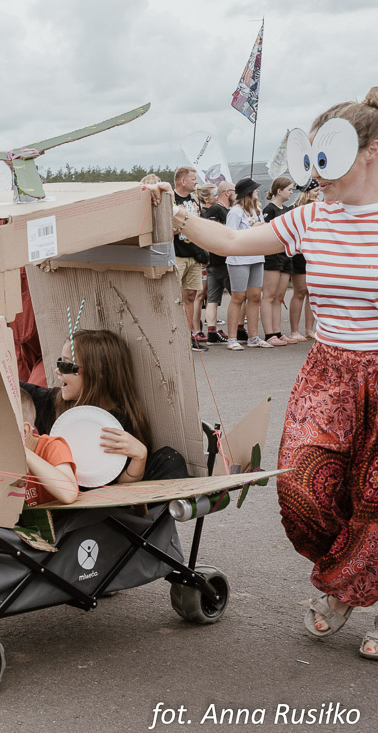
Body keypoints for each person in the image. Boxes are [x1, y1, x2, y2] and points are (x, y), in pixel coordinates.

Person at [168, 87, 378, 660]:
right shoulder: (312, 216)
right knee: (302, 489)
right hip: (330, 370)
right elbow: (233, 240)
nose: (317, 176)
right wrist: (177, 213)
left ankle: (349, 592)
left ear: (370, 153)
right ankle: (348, 577)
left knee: (375, 499)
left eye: (330, 159)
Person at [19, 329, 154, 484]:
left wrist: (140, 457)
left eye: (66, 365)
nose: (57, 370)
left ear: (98, 373)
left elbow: (121, 488)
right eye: (59, 362)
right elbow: (4, 382)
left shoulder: (122, 424)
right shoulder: (48, 402)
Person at [223, 177, 273, 350]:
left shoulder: (257, 210)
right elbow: (230, 236)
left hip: (257, 257)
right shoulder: (235, 212)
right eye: (255, 189)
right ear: (247, 192)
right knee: (238, 298)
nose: (258, 191)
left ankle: (253, 337)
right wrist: (254, 229)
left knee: (255, 297)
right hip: (239, 259)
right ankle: (232, 338)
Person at [171, 167, 209, 351]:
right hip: (177, 255)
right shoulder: (170, 199)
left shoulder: (194, 201)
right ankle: (174, 337)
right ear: (182, 181)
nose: (196, 182)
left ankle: (189, 336)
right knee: (173, 297)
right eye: (193, 179)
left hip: (194, 255)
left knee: (191, 296)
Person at [260, 177, 298, 345]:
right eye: (289, 189)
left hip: (286, 255)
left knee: (279, 296)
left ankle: (278, 332)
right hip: (273, 256)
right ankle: (269, 334)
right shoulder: (269, 209)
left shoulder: (288, 209)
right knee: (269, 295)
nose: (291, 192)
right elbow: (267, 233)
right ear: (279, 191)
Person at [200, 181, 236, 344]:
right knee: (238, 297)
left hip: (216, 260)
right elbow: (207, 232)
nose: (237, 194)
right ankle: (238, 330)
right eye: (235, 191)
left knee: (213, 298)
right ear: (227, 192)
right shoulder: (216, 210)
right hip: (220, 260)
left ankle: (212, 331)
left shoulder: (226, 210)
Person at [287, 184, 320, 341]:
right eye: (315, 191)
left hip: (316, 252)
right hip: (300, 253)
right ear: (307, 193)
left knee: (312, 293)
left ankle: (309, 329)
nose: (318, 194)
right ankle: (294, 330)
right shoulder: (295, 209)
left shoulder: (321, 208)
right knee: (300, 291)